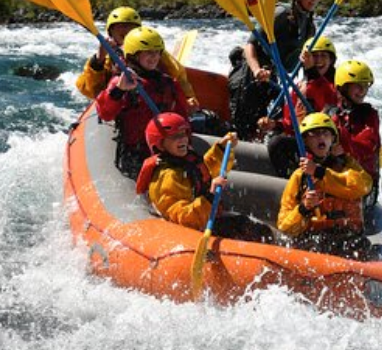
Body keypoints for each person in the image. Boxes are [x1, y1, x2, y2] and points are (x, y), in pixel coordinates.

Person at [135, 113, 272, 242]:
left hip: (204, 216)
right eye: (174, 137)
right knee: (248, 230)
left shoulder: (185, 159)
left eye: (183, 134)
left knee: (255, 229)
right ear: (160, 144)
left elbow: (206, 168)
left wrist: (222, 148)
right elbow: (183, 219)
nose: (182, 139)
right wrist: (210, 197)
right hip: (189, 229)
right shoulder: (167, 176)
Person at [228, 0, 324, 140]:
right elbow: (250, 45)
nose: (313, 0)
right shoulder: (280, 14)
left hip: (274, 76)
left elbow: (302, 62)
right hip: (252, 73)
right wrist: (257, 70)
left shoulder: (309, 25)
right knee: (246, 121)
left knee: (280, 115)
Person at [95, 26, 190, 179]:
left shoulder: (168, 82)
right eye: (148, 53)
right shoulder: (121, 82)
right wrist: (119, 90)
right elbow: (105, 114)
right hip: (134, 153)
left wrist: (184, 143)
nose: (154, 57)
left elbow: (182, 117)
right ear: (133, 55)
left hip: (165, 149)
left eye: (157, 52)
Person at [276, 112, 373, 258]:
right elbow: (284, 226)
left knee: (359, 247)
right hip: (314, 239)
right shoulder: (299, 176)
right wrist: (303, 208)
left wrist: (319, 172)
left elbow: (362, 187)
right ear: (306, 142)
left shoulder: (348, 165)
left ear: (333, 138)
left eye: (325, 133)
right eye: (313, 135)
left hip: (348, 238)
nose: (320, 138)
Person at [76, 6, 199, 107]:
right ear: (111, 33)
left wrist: (188, 99)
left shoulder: (155, 52)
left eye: (130, 27)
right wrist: (98, 60)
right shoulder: (107, 57)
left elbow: (178, 77)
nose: (125, 30)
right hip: (120, 102)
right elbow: (89, 91)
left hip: (152, 100)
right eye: (120, 27)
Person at [259, 35, 338, 177]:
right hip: (305, 141)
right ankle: (289, 180)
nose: (319, 60)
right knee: (276, 141)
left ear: (331, 60)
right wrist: (275, 125)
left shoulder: (336, 86)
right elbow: (291, 123)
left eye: (323, 56)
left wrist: (312, 72)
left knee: (279, 142)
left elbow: (325, 93)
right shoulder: (298, 88)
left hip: (326, 143)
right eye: (315, 56)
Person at [329, 60, 382, 207]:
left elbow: (367, 147)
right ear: (344, 88)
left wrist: (345, 145)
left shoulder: (370, 116)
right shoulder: (331, 112)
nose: (363, 91)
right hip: (336, 173)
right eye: (358, 86)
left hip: (362, 181)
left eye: (365, 86)